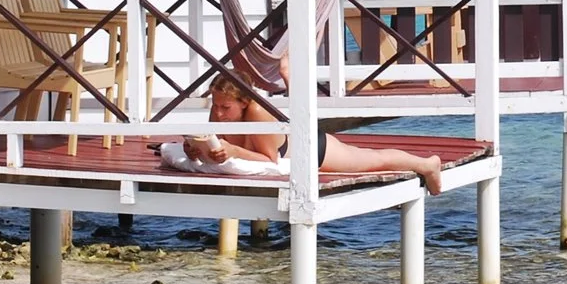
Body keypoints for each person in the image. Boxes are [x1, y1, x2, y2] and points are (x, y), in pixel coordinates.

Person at [183, 81, 448, 194]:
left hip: (314, 150)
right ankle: (426, 164)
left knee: (374, 159)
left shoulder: (259, 114)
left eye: (225, 108)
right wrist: (193, 149)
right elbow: (215, 143)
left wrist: (235, 152)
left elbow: (269, 160)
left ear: (243, 103)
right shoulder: (219, 112)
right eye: (215, 105)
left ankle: (427, 164)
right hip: (298, 148)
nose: (218, 112)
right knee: (366, 155)